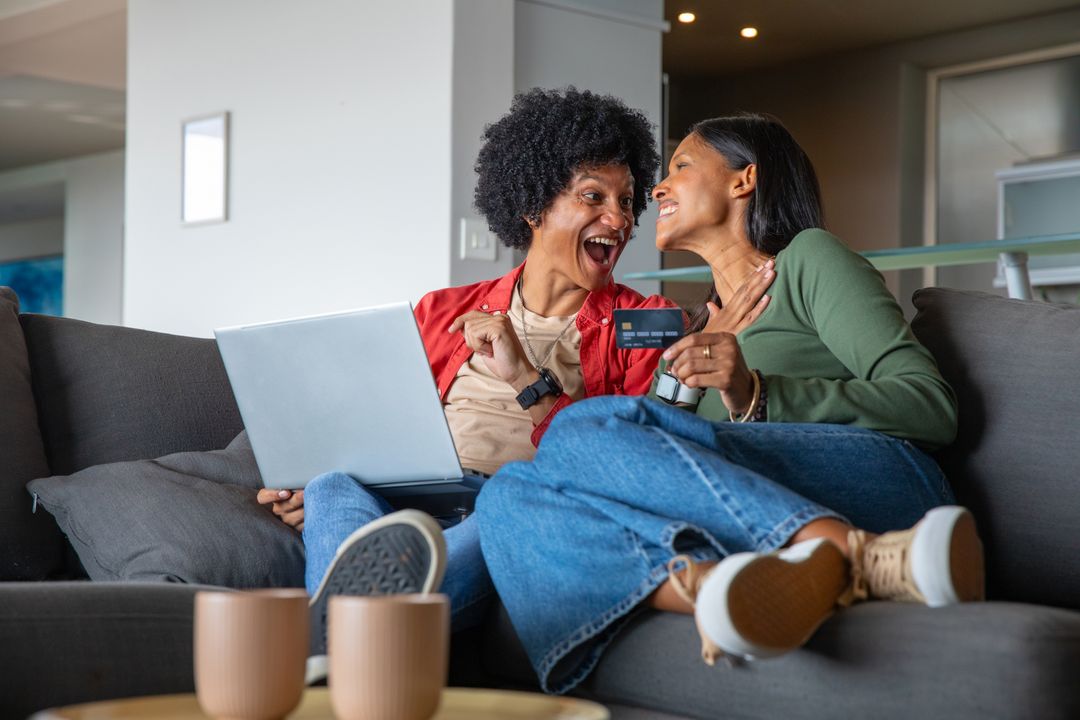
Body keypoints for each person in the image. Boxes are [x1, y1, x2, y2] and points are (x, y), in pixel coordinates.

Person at [475, 113, 985, 695]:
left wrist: (757, 392)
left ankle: (849, 550)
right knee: (507, 495)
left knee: (582, 429)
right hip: (760, 514)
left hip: (881, 482)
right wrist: (683, 381)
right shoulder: (694, 331)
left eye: (681, 167)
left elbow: (930, 407)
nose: (657, 190)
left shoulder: (807, 261)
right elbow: (661, 462)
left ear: (744, 181)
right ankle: (720, 588)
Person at [255, 89, 774, 656]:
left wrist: (526, 375)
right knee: (332, 485)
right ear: (534, 207)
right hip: (403, 503)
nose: (620, 219)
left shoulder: (645, 322)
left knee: (507, 504)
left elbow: (613, 460)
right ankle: (360, 635)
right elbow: (374, 424)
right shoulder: (443, 310)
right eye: (593, 197)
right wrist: (309, 475)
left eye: (626, 202)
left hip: (513, 503)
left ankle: (338, 646)